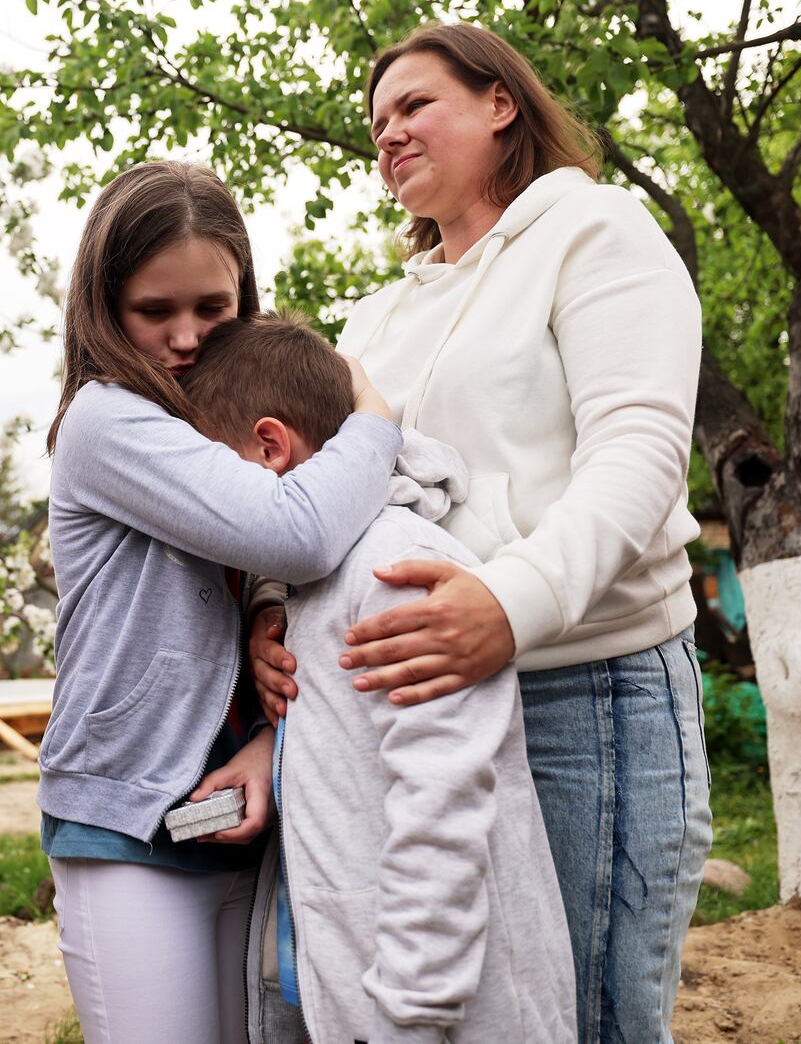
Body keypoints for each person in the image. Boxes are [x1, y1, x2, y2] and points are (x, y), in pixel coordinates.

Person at [251, 24, 710, 1043]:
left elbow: (637, 452)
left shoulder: (595, 232)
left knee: (592, 1017)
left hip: (582, 693)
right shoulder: (374, 319)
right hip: (413, 711)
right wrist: (271, 612)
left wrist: (510, 604)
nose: (388, 135)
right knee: (476, 1015)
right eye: (376, 125)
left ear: (500, 102)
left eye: (414, 105)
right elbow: (332, 493)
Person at [38, 161, 404, 1044]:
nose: (186, 336)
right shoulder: (108, 421)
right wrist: (375, 420)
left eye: (213, 309)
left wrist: (271, 735)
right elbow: (299, 533)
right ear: (102, 304)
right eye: (154, 311)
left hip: (242, 806)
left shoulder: (231, 422)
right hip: (128, 818)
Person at [181, 312, 575, 1044]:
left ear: (269, 447)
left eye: (214, 476)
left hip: (439, 1018)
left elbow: (443, 802)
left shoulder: (398, 569)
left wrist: (410, 1010)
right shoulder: (313, 584)